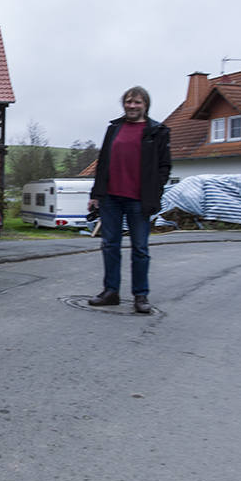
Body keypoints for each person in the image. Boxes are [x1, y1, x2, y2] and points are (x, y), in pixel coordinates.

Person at [87, 87, 172, 314]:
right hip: (111, 198)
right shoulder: (114, 129)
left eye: (137, 102)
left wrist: (155, 191)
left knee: (140, 249)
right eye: (128, 102)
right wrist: (95, 195)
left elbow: (165, 167)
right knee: (110, 246)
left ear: (145, 105)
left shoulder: (157, 131)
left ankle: (140, 296)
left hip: (139, 200)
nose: (132, 106)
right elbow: (102, 163)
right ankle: (110, 292)